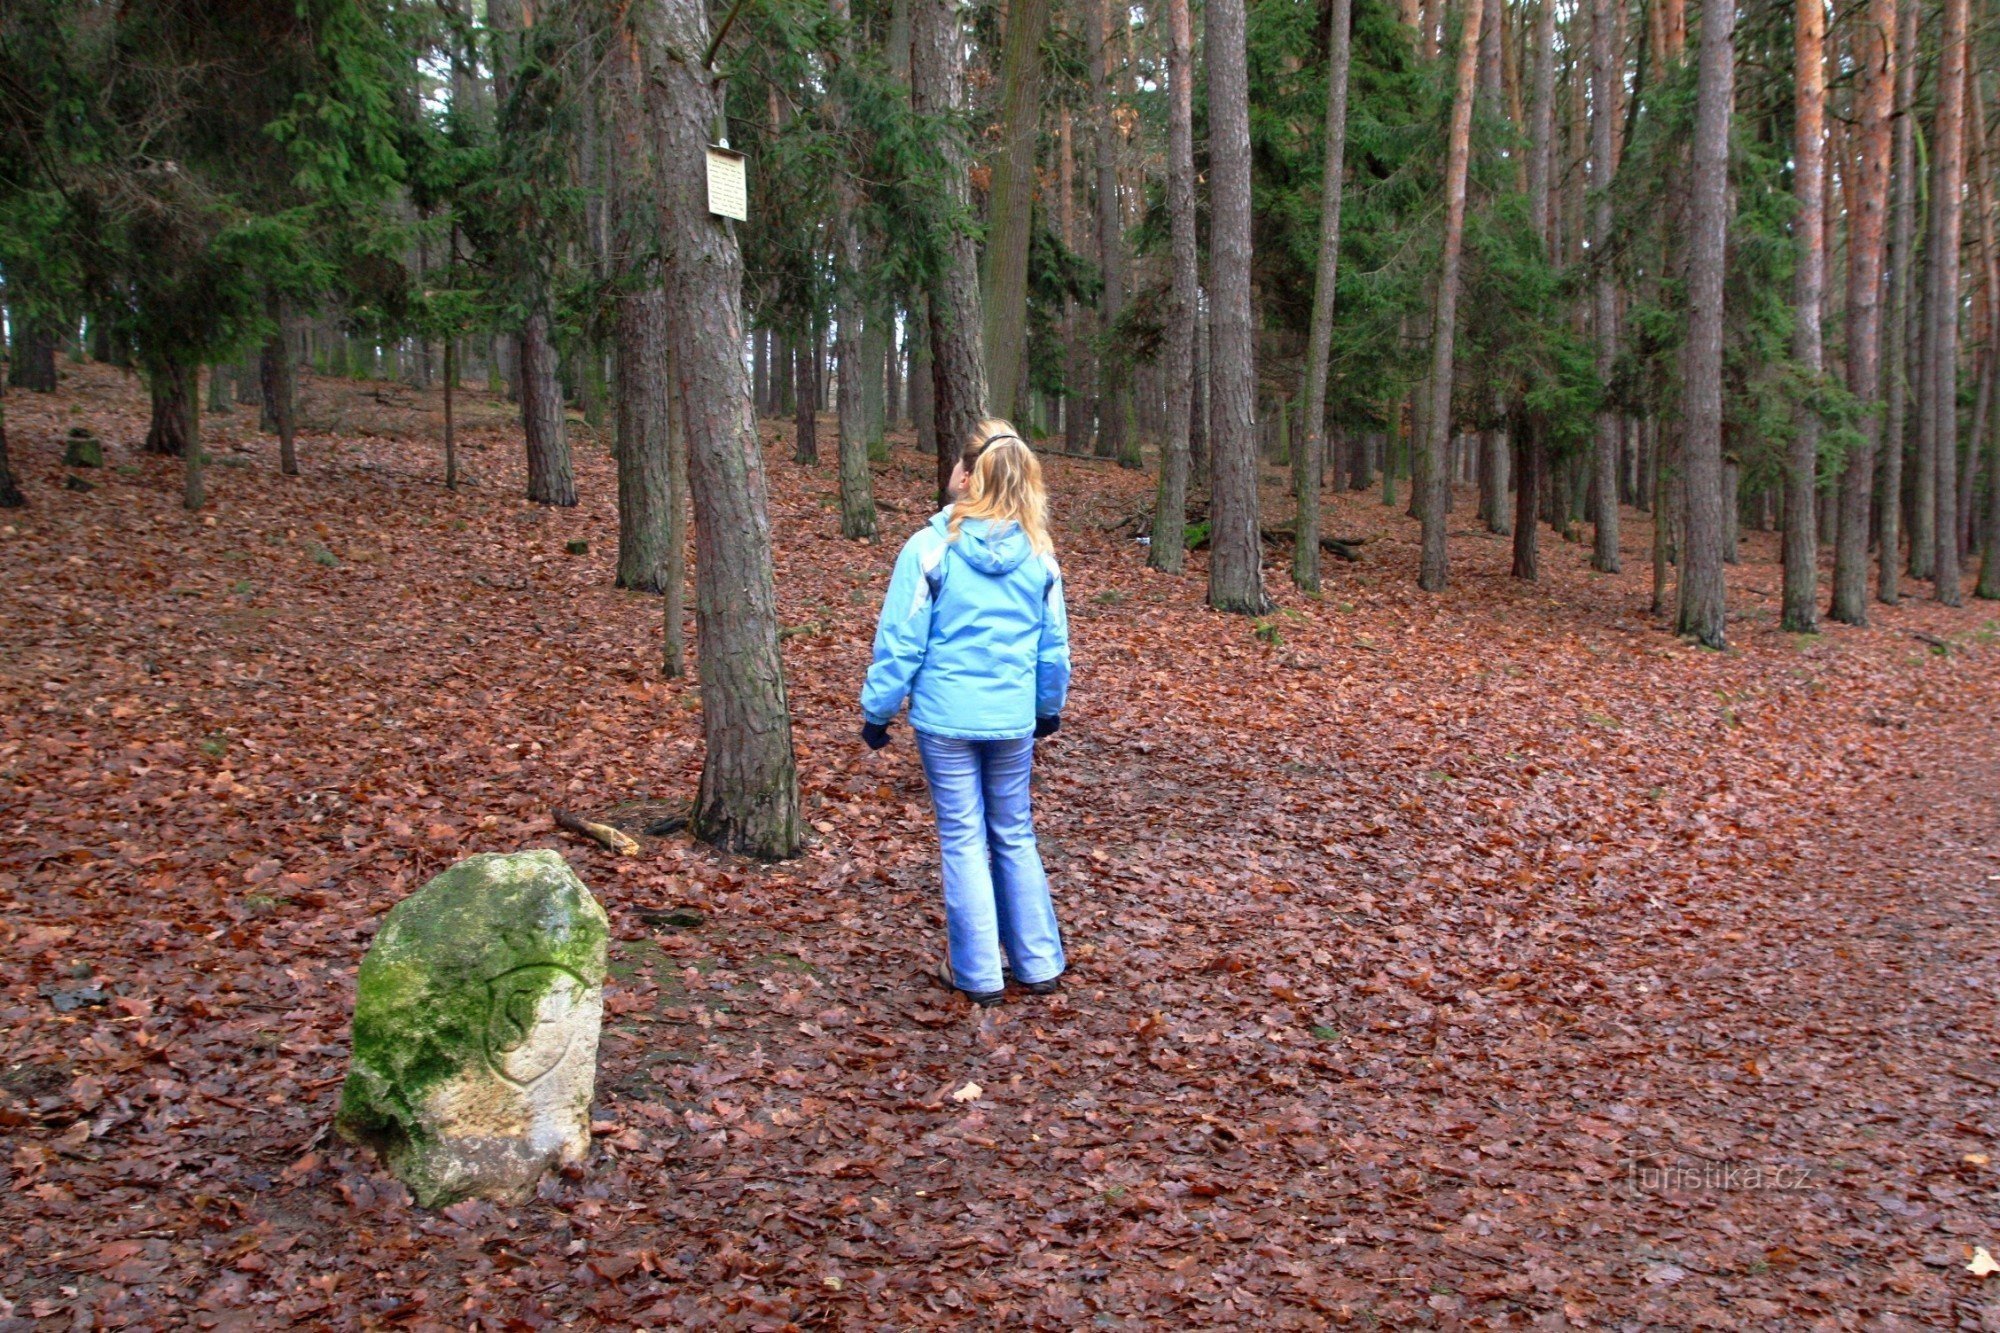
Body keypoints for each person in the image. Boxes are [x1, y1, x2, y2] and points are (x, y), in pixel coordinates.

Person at [859, 420, 1071, 1006]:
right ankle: (1039, 962)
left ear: (971, 475)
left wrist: (877, 711)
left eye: (960, 463)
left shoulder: (930, 547)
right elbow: (1054, 647)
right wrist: (1046, 708)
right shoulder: (1040, 557)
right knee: (1013, 832)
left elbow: (901, 640)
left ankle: (979, 974)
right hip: (1011, 721)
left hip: (946, 721)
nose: (952, 471)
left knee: (962, 836)